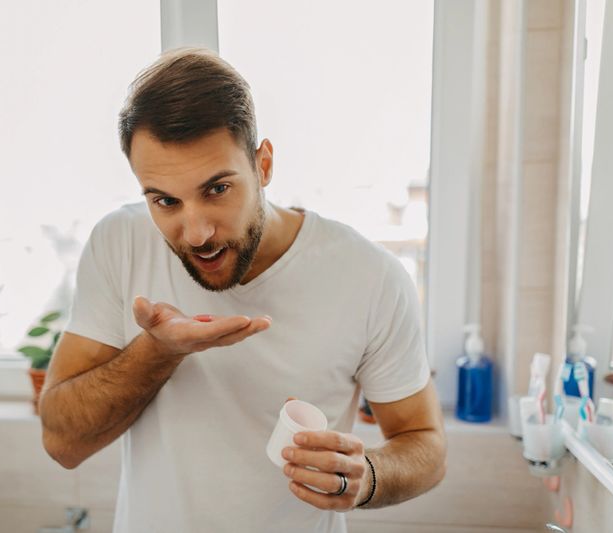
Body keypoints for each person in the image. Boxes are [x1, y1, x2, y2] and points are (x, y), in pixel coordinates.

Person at [39, 48, 446, 533]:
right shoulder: (119, 244)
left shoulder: (370, 277)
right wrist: (158, 351)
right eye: (165, 201)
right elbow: (62, 443)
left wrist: (369, 477)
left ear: (264, 165)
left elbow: (424, 444)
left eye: (217, 190)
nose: (195, 233)